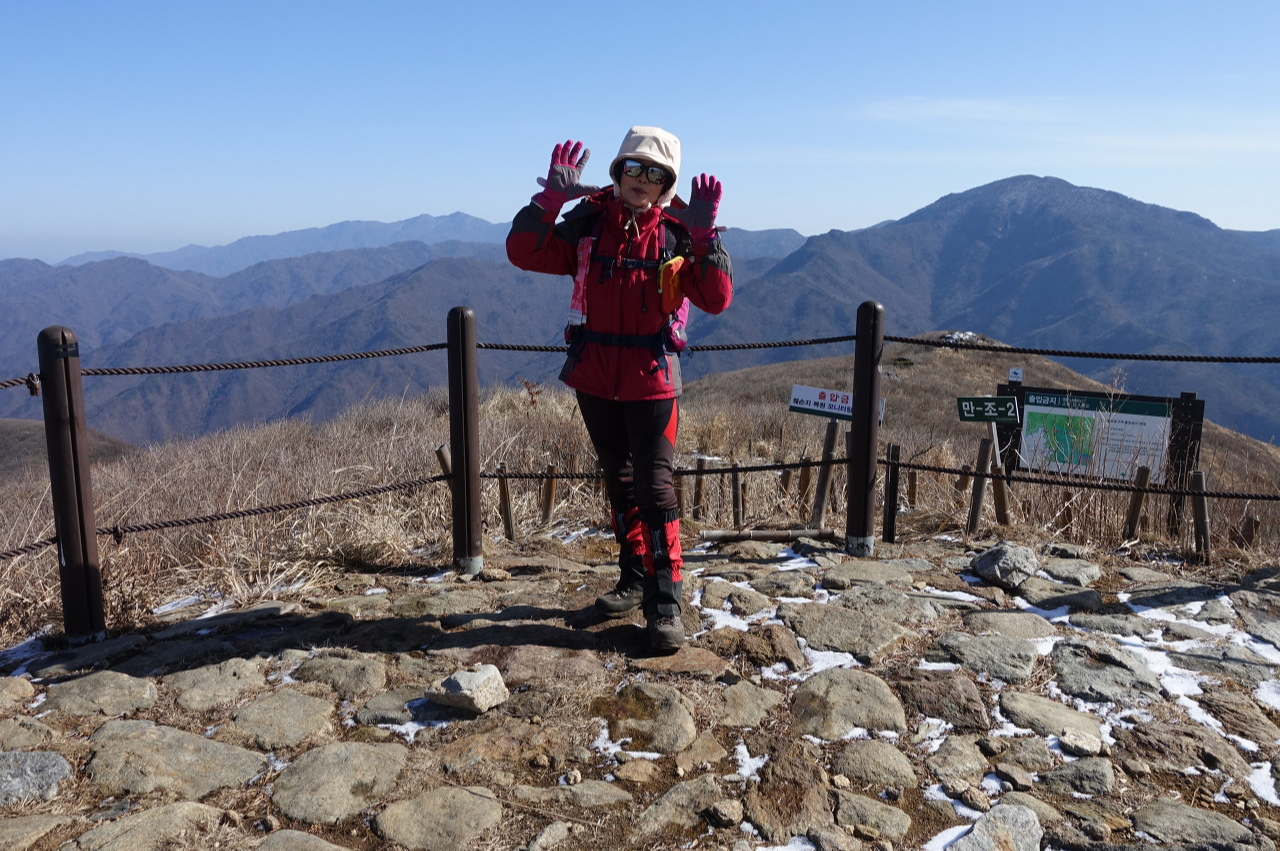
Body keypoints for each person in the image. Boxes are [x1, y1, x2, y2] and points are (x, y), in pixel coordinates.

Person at [506, 126, 733, 651]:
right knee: (621, 483)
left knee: (655, 487)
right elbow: (524, 252)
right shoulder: (588, 225)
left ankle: (665, 603)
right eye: (632, 167)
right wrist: (549, 201)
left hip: (653, 380)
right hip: (595, 378)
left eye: (655, 173)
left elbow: (717, 299)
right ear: (617, 171)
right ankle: (632, 582)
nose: (641, 179)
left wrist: (705, 238)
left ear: (667, 184)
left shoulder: (680, 233)